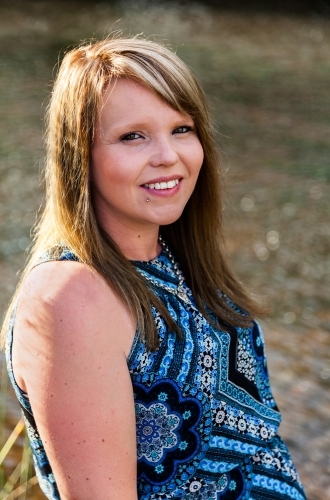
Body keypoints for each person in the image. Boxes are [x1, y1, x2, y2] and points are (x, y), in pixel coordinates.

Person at [1, 37, 306, 500]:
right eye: (133, 136)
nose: (169, 155)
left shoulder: (173, 258)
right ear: (78, 155)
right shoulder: (71, 296)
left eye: (182, 129)